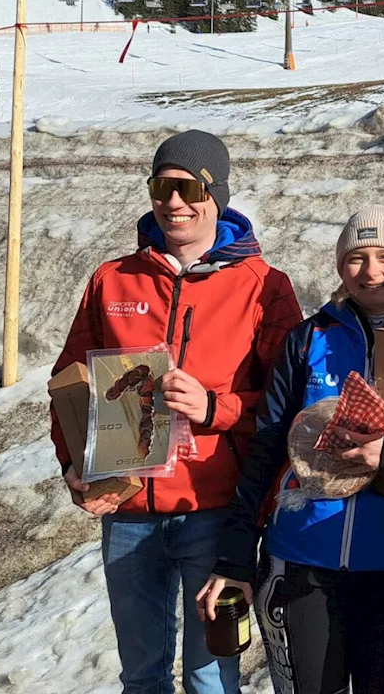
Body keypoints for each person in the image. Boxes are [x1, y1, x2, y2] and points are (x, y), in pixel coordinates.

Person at [49, 130, 302, 694]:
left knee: (209, 679)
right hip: (127, 509)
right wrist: (75, 464)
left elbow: (292, 407)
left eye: (188, 187)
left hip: (214, 512)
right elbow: (69, 385)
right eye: (162, 186)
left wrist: (215, 407)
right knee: (141, 677)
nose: (174, 202)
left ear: (217, 196)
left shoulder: (265, 286)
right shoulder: (112, 279)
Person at [200, 206, 384, 694]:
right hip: (303, 560)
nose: (372, 271)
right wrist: (234, 559)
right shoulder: (308, 338)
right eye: (357, 258)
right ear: (341, 267)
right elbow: (266, 450)